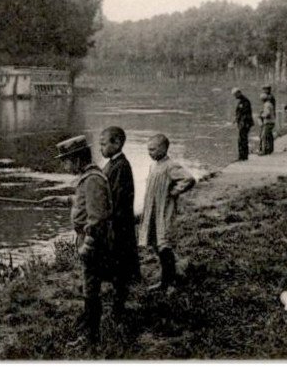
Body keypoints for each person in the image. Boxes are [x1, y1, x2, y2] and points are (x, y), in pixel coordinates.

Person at [56, 134, 115, 346]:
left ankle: (91, 337)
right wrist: (62, 200)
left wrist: (86, 247)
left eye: (65, 161)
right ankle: (90, 330)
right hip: (91, 241)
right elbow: (85, 201)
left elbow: (97, 218)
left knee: (91, 288)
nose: (64, 166)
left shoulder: (92, 180)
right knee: (90, 286)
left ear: (78, 159)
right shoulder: (89, 177)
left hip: (94, 244)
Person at [137, 133, 195, 290]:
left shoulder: (171, 166)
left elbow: (188, 179)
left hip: (164, 210)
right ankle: (167, 278)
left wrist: (175, 191)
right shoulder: (153, 166)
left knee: (164, 245)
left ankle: (171, 283)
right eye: (148, 150)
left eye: (153, 149)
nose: (150, 153)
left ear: (163, 148)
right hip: (153, 210)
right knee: (155, 243)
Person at [100, 126, 140, 288]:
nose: (100, 148)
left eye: (103, 144)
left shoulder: (121, 166)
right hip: (116, 219)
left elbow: (118, 197)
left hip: (119, 220)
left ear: (117, 143)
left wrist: (107, 216)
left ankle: (122, 283)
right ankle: (118, 280)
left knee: (120, 251)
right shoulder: (113, 164)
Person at [232, 88, 254, 161]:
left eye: (235, 95)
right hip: (242, 123)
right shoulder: (242, 101)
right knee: (241, 139)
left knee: (242, 139)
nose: (234, 97)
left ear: (239, 93)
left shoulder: (245, 101)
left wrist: (239, 119)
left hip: (245, 123)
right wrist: (237, 118)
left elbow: (244, 113)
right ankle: (243, 156)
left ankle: (243, 156)